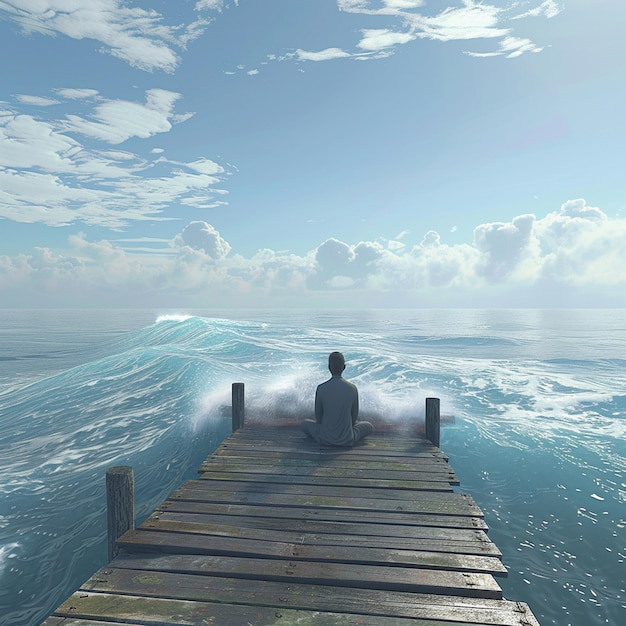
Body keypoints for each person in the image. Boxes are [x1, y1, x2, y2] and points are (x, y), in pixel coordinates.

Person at [302, 351, 373, 447]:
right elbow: (353, 419)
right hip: (347, 439)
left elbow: (319, 419)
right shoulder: (352, 388)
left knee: (304, 424)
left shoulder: (321, 388)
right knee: (368, 426)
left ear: (329, 367)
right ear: (344, 367)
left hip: (324, 438)